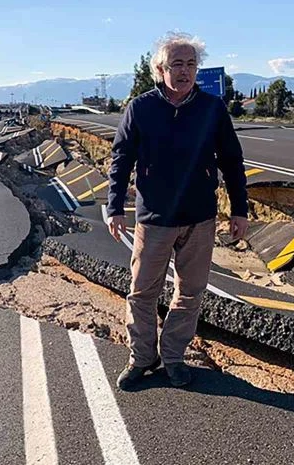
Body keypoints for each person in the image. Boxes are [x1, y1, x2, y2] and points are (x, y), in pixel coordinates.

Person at [106, 32, 249, 390]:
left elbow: (232, 160)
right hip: (154, 217)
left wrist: (239, 209)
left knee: (190, 291)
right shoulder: (141, 108)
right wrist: (114, 206)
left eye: (191, 64)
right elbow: (121, 159)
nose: (184, 71)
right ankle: (142, 357)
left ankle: (172, 356)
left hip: (200, 217)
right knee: (142, 291)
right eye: (176, 64)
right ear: (160, 69)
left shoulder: (212, 108)